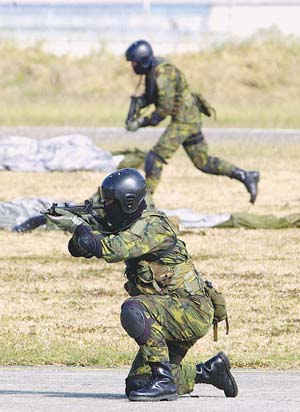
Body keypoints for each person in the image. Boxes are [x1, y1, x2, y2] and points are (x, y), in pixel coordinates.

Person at [46, 168, 238, 402]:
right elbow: (79, 249)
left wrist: (78, 226)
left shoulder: (150, 225)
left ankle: (164, 382)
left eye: (109, 201)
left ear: (127, 202)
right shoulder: (128, 223)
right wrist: (84, 226)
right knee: (137, 384)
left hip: (190, 311)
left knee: (133, 308)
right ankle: (210, 372)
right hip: (168, 314)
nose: (105, 206)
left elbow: (111, 249)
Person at [125, 39, 260, 204]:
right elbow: (156, 96)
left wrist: (140, 123)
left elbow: (164, 109)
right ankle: (246, 176)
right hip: (190, 117)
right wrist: (141, 102)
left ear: (144, 60)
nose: (132, 66)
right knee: (203, 161)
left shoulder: (162, 74)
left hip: (184, 121)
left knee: (155, 157)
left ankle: (143, 203)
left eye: (134, 62)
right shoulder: (153, 71)